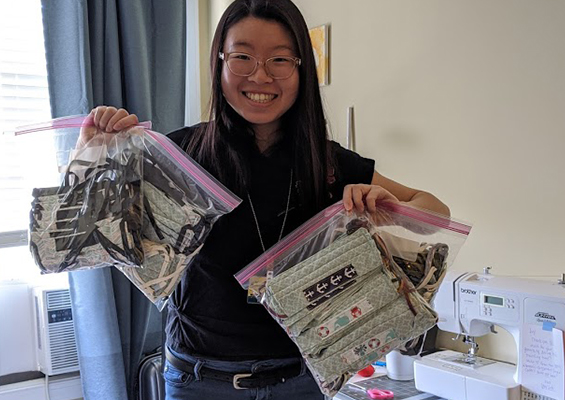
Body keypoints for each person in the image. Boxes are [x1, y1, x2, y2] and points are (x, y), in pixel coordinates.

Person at [79, 0, 449, 398]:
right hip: (200, 382)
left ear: (300, 68)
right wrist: (93, 159)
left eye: (279, 60)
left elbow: (436, 212)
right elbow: (99, 236)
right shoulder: (179, 154)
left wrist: (387, 206)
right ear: (219, 62)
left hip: (302, 382)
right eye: (242, 57)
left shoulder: (326, 161)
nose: (260, 75)